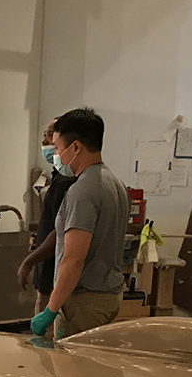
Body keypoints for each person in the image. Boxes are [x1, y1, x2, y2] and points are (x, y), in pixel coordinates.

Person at [30, 107, 128, 340]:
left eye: (57, 148)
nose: (56, 155)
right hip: (109, 296)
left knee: (73, 372)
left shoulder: (83, 190)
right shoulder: (115, 183)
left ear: (75, 147)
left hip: (84, 302)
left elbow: (74, 258)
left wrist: (50, 310)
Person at [18, 118, 77, 334]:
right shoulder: (58, 177)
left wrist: (28, 262)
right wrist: (37, 238)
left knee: (47, 350)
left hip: (55, 280)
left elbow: (61, 233)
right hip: (47, 277)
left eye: (50, 135)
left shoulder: (68, 182)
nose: (45, 141)